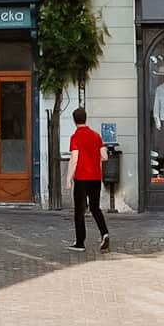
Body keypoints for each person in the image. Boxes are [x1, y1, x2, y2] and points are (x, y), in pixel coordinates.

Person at [67, 107, 111, 252]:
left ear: (74, 120)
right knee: (95, 207)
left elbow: (74, 159)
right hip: (96, 177)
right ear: (86, 118)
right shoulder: (96, 136)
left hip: (82, 178)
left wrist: (68, 178)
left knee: (79, 210)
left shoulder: (75, 137)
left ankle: (80, 242)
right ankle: (104, 233)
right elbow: (105, 156)